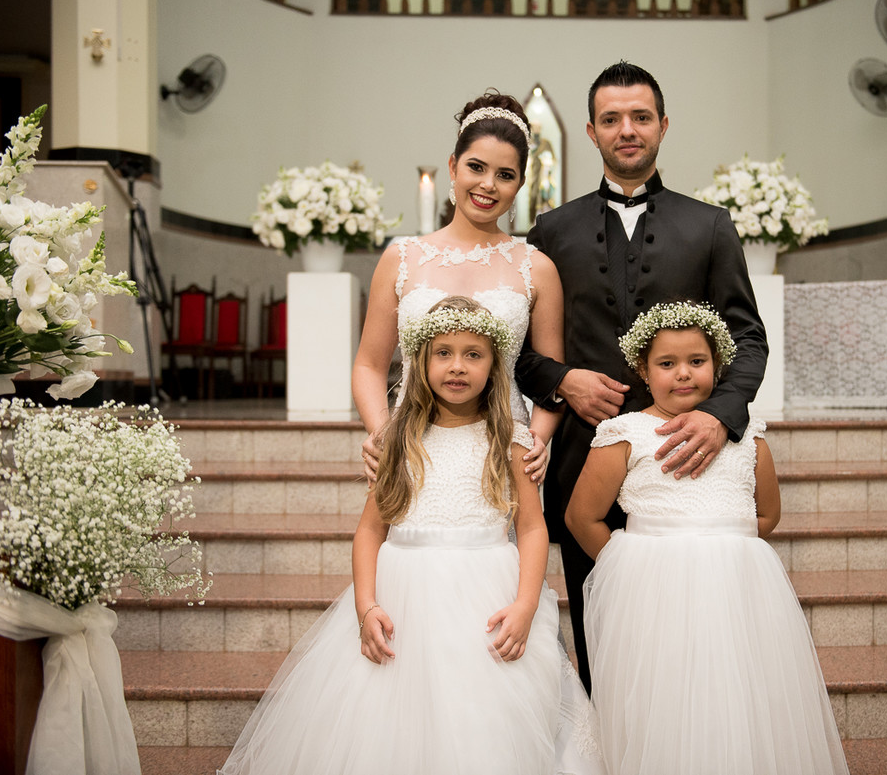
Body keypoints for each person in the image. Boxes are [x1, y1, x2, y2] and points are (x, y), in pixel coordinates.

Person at [222, 297, 603, 775]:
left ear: (495, 364)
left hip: (488, 595)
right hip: (403, 598)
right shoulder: (397, 439)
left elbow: (530, 527)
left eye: (473, 354)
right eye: (442, 352)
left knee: (482, 721)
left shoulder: (512, 439)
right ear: (420, 361)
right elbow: (368, 532)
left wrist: (526, 604)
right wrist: (366, 606)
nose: (457, 366)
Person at [515, 62, 768, 690]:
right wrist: (564, 379)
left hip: (688, 454)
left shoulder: (709, 225)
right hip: (583, 455)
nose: (627, 130)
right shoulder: (550, 230)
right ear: (592, 132)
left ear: (661, 126)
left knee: (698, 627)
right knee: (598, 618)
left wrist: (719, 414)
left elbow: (749, 337)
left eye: (640, 117)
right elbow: (516, 351)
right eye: (611, 119)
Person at [566, 302, 847, 775]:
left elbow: (768, 515)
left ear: (717, 365)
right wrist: (630, 561)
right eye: (667, 364)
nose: (683, 374)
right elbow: (582, 517)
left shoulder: (748, 436)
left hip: (736, 589)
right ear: (642, 369)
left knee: (740, 692)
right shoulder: (626, 433)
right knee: (664, 691)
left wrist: (722, 546)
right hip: (652, 588)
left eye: (697, 362)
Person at [353, 91, 564, 486]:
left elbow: (553, 377)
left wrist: (537, 440)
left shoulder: (537, 268)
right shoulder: (401, 258)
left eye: (505, 175)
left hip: (503, 447)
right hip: (413, 442)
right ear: (453, 166)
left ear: (519, 183)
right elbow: (369, 364)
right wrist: (382, 433)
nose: (488, 185)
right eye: (476, 167)